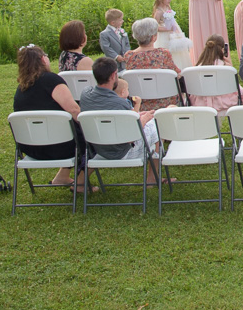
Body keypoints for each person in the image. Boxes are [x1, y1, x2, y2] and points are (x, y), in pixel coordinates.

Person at [79, 56, 163, 185]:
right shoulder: (119, 103)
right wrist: (144, 118)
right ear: (114, 75)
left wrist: (137, 116)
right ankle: (152, 179)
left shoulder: (85, 95)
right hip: (121, 151)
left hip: (98, 147)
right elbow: (131, 134)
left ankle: (80, 183)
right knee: (157, 126)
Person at [12, 44, 85, 188]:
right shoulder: (51, 80)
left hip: (30, 146)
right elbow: (73, 110)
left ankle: (62, 177)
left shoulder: (21, 88)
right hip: (60, 146)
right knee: (89, 137)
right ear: (42, 59)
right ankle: (81, 184)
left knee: (69, 130)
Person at [123, 17, 182, 112]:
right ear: (153, 37)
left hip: (139, 102)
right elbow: (177, 74)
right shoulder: (163, 53)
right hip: (165, 101)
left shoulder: (129, 55)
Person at [187, 34, 243, 114]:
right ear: (223, 49)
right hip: (224, 103)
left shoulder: (196, 68)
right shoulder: (226, 68)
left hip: (200, 103)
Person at [152, 0, 193, 69]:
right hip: (165, 35)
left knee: (179, 51)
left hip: (173, 31)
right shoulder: (158, 12)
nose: (169, 0)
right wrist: (167, 28)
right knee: (168, 51)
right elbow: (155, 27)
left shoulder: (167, 7)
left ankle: (180, 67)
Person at [99, 8, 131, 73]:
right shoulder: (104, 34)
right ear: (113, 23)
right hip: (112, 62)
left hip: (124, 62)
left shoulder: (122, 31)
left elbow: (127, 44)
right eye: (120, 20)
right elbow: (106, 48)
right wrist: (116, 56)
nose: (122, 21)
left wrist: (127, 54)